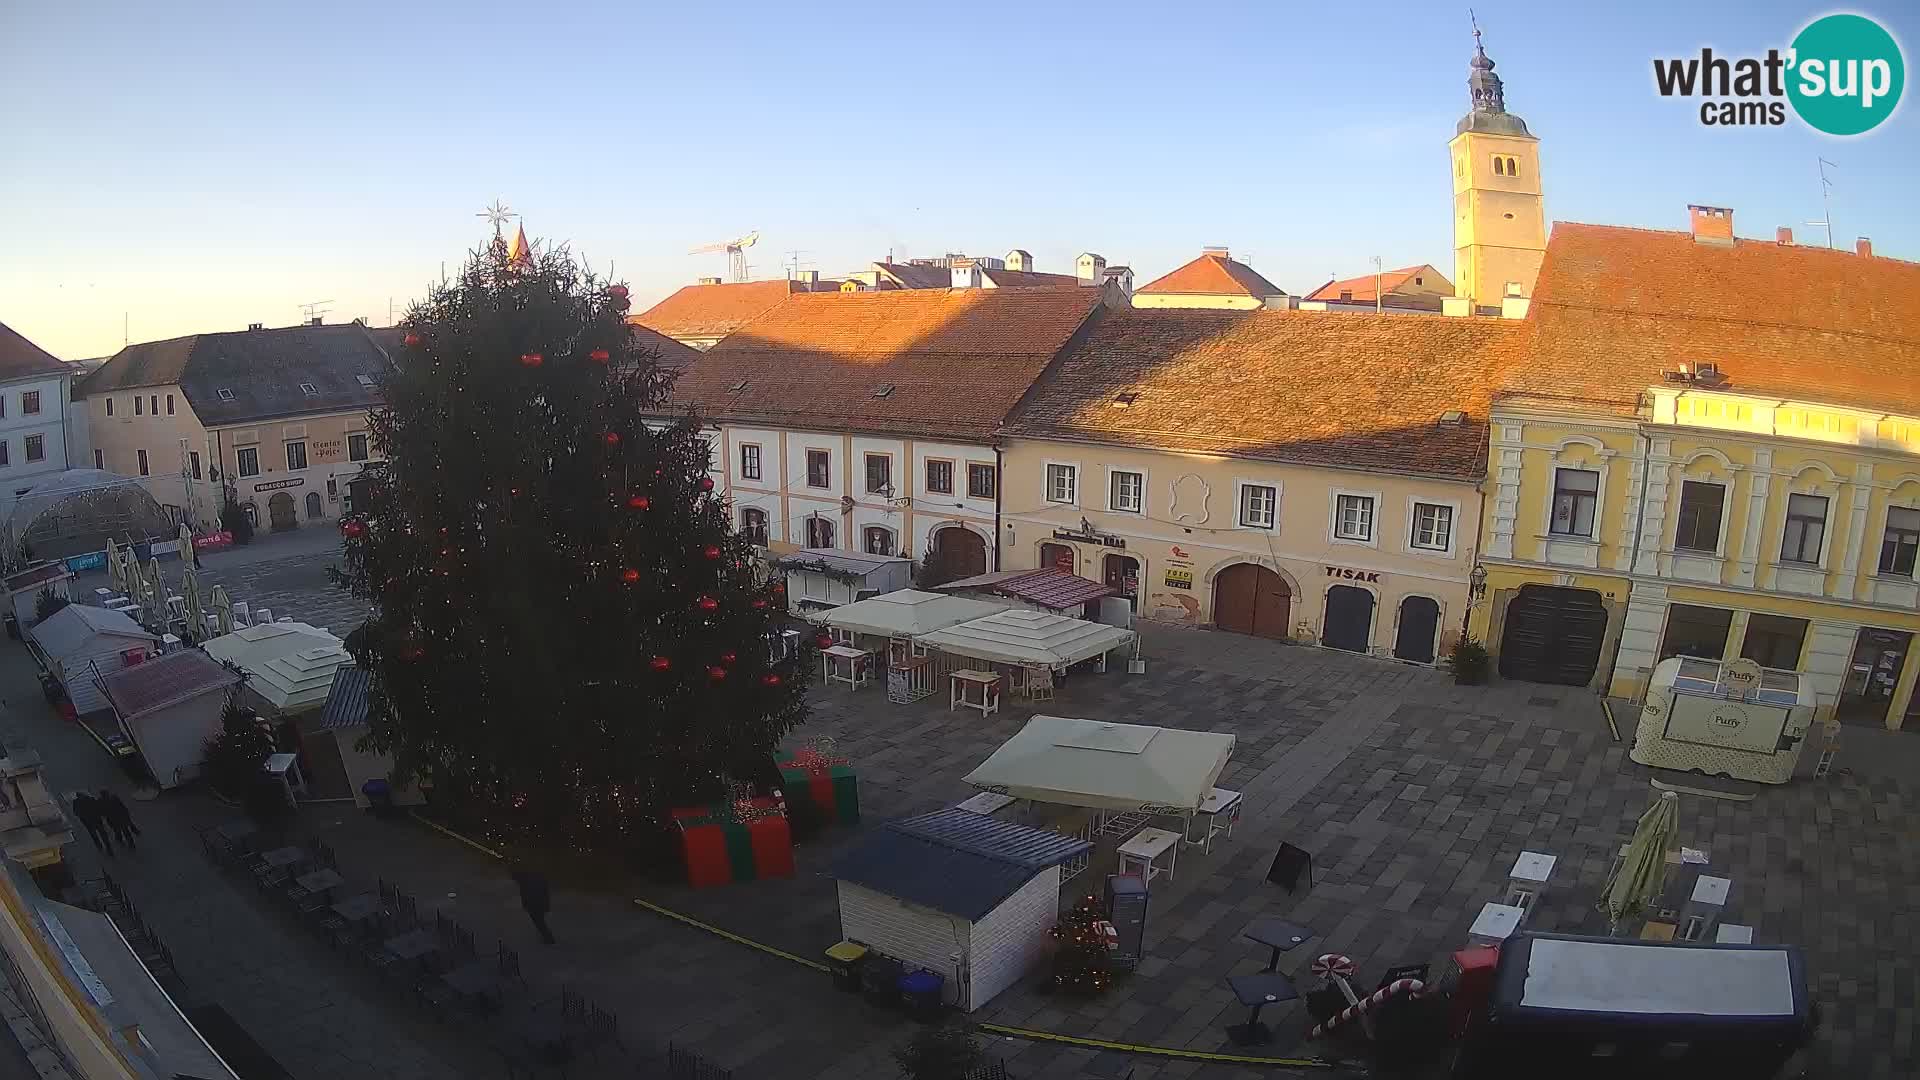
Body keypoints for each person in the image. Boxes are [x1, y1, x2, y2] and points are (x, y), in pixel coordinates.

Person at [510, 865, 556, 945]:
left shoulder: (526, 881)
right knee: (539, 921)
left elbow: (527, 894)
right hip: (537, 904)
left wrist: (526, 904)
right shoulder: (530, 879)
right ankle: (547, 938)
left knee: (539, 922)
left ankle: (549, 939)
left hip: (535, 904)